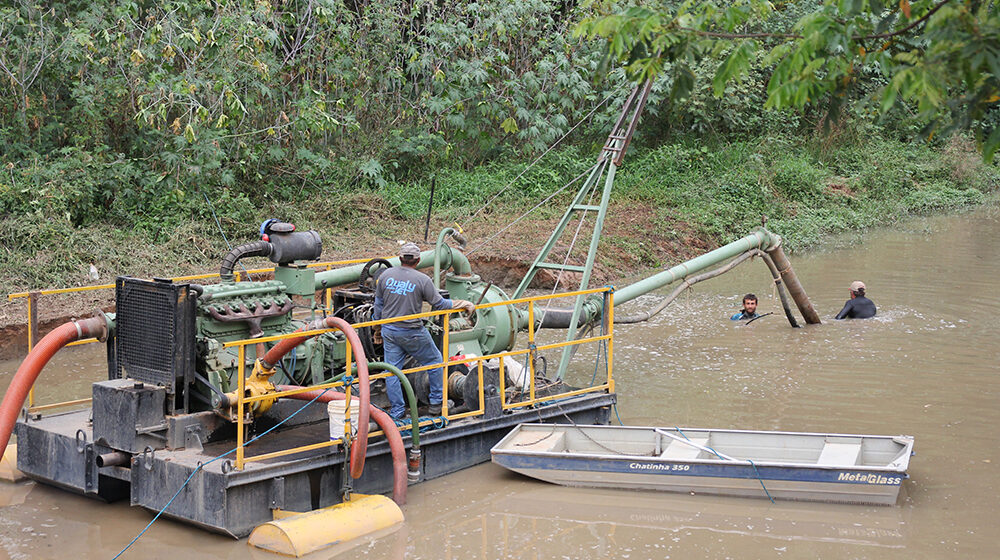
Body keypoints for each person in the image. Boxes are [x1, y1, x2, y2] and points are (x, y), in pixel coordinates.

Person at [374, 242, 476, 419]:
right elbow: (440, 304)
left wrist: (377, 330)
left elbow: (378, 306)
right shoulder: (422, 280)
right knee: (436, 362)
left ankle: (398, 412)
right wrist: (463, 304)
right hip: (412, 332)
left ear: (399, 258)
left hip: (389, 331)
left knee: (392, 372)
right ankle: (436, 404)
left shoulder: (385, 276)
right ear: (418, 260)